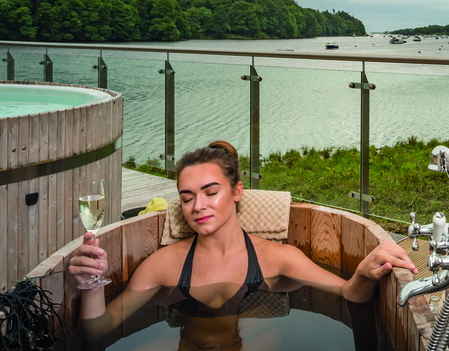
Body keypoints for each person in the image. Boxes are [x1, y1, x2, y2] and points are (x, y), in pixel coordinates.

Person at [69, 140, 419, 336]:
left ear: (237, 192)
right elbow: (99, 329)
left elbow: (350, 294)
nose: (198, 206)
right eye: (187, 198)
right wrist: (90, 284)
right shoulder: (164, 265)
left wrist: (364, 271)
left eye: (211, 192)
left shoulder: (276, 259)